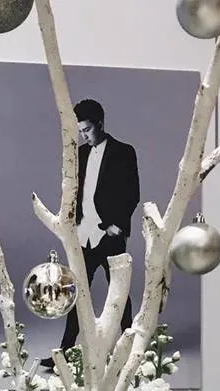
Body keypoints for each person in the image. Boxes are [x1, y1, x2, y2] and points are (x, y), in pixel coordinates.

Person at [40, 98, 139, 369]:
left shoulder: (124, 152)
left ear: (100, 124)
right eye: (80, 131)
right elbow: (74, 192)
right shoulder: (79, 154)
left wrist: (117, 224)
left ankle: (131, 348)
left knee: (119, 292)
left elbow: (132, 193)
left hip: (110, 235)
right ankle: (65, 351)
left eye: (87, 129)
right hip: (83, 235)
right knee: (76, 292)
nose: (83, 135)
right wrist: (71, 223)